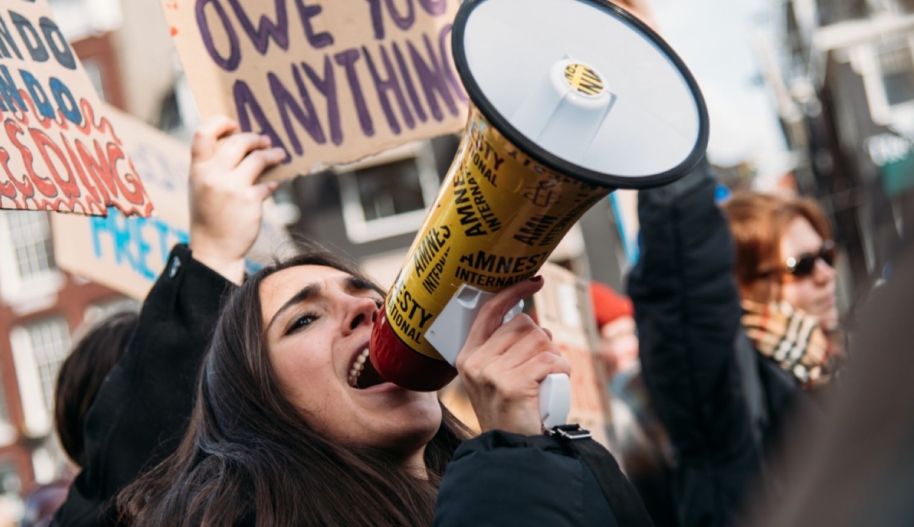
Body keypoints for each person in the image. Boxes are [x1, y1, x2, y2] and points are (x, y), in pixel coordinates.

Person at [57, 116, 649, 526]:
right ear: (256, 407)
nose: (366, 307)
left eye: (364, 291)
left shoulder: (514, 466)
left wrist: (551, 449)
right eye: (304, 319)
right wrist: (517, 463)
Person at [627, 159, 840, 527]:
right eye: (801, 265)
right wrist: (674, 151)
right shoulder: (729, 390)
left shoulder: (827, 363)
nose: (825, 274)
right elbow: (686, 288)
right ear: (739, 284)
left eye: (827, 255)